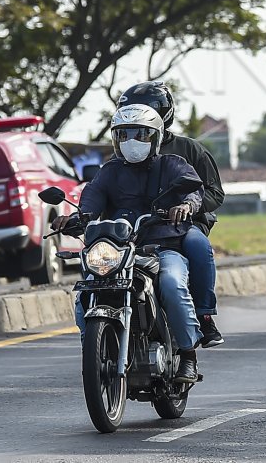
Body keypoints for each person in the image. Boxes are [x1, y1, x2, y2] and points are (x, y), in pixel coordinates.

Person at [57, 104, 204, 382]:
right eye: (123, 135)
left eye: (140, 134)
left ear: (156, 137)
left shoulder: (173, 165)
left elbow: (194, 191)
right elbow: (91, 200)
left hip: (163, 248)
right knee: (86, 292)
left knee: (172, 284)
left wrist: (186, 205)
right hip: (119, 251)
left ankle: (188, 355)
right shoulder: (109, 171)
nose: (131, 142)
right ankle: (97, 347)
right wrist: (76, 218)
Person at [118, 81, 227, 347]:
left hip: (184, 224)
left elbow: (214, 193)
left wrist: (189, 207)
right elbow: (102, 190)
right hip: (137, 228)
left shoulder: (189, 150)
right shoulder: (122, 153)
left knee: (197, 245)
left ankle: (204, 316)